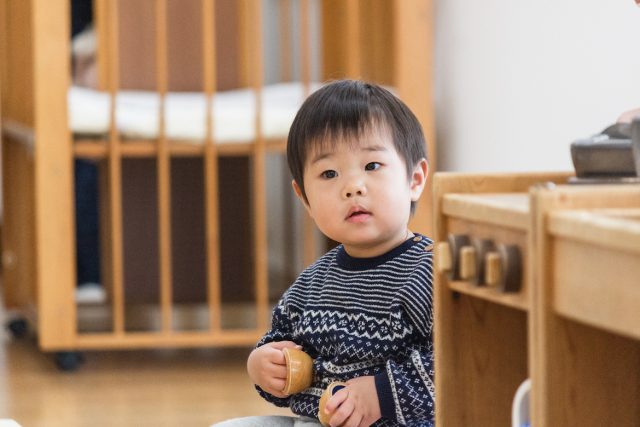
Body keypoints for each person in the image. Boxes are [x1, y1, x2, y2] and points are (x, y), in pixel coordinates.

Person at [214, 80, 435, 426]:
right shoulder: (312, 283)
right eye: (329, 173)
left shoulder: (428, 271)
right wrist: (264, 366)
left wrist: (381, 394)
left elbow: (455, 362)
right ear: (304, 199)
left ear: (415, 179)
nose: (353, 187)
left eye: (372, 165)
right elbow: (282, 348)